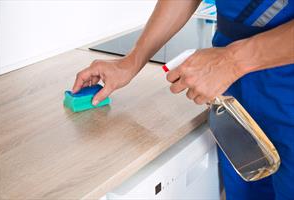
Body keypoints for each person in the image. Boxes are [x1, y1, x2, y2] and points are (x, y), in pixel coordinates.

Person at [72, 1, 294, 199]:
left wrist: (233, 60)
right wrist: (131, 62)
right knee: (247, 188)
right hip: (232, 86)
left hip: (285, 82)